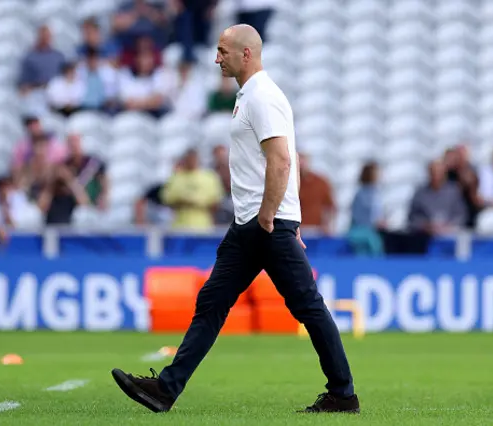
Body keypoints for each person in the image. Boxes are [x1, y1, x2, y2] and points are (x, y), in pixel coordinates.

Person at [111, 24, 359, 414]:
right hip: (251, 225)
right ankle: (165, 389)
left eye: (223, 51)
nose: (216, 58)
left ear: (246, 54)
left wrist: (274, 218)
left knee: (308, 307)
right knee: (212, 302)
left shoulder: (262, 97)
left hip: (264, 225)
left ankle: (343, 394)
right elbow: (284, 159)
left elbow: (281, 159)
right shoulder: (250, 96)